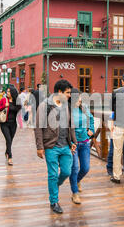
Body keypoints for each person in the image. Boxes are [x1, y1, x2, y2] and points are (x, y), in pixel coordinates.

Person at [34, 79, 76, 214]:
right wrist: (39, 147)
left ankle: (54, 186)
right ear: (59, 92)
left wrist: (73, 142)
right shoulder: (45, 105)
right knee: (52, 174)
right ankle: (54, 201)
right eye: (68, 93)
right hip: (51, 146)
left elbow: (71, 125)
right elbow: (38, 127)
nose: (70, 95)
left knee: (66, 172)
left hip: (65, 145)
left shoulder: (67, 105)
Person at [69, 88, 94, 204]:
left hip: (84, 142)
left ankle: (77, 180)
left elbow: (91, 119)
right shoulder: (67, 110)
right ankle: (75, 193)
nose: (80, 99)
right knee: (74, 169)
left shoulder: (83, 107)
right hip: (73, 143)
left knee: (85, 168)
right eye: (78, 97)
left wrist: (91, 129)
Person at [0, 84, 22, 166]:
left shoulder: (17, 102)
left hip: (13, 124)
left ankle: (7, 151)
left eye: (8, 92)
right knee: (8, 139)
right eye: (7, 91)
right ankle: (10, 157)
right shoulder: (4, 100)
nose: (7, 93)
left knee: (10, 140)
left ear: (13, 93)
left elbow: (19, 111)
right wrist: (4, 105)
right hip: (4, 123)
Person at [106, 111, 124, 177]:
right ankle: (110, 168)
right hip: (116, 132)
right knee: (112, 151)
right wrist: (112, 131)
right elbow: (111, 120)